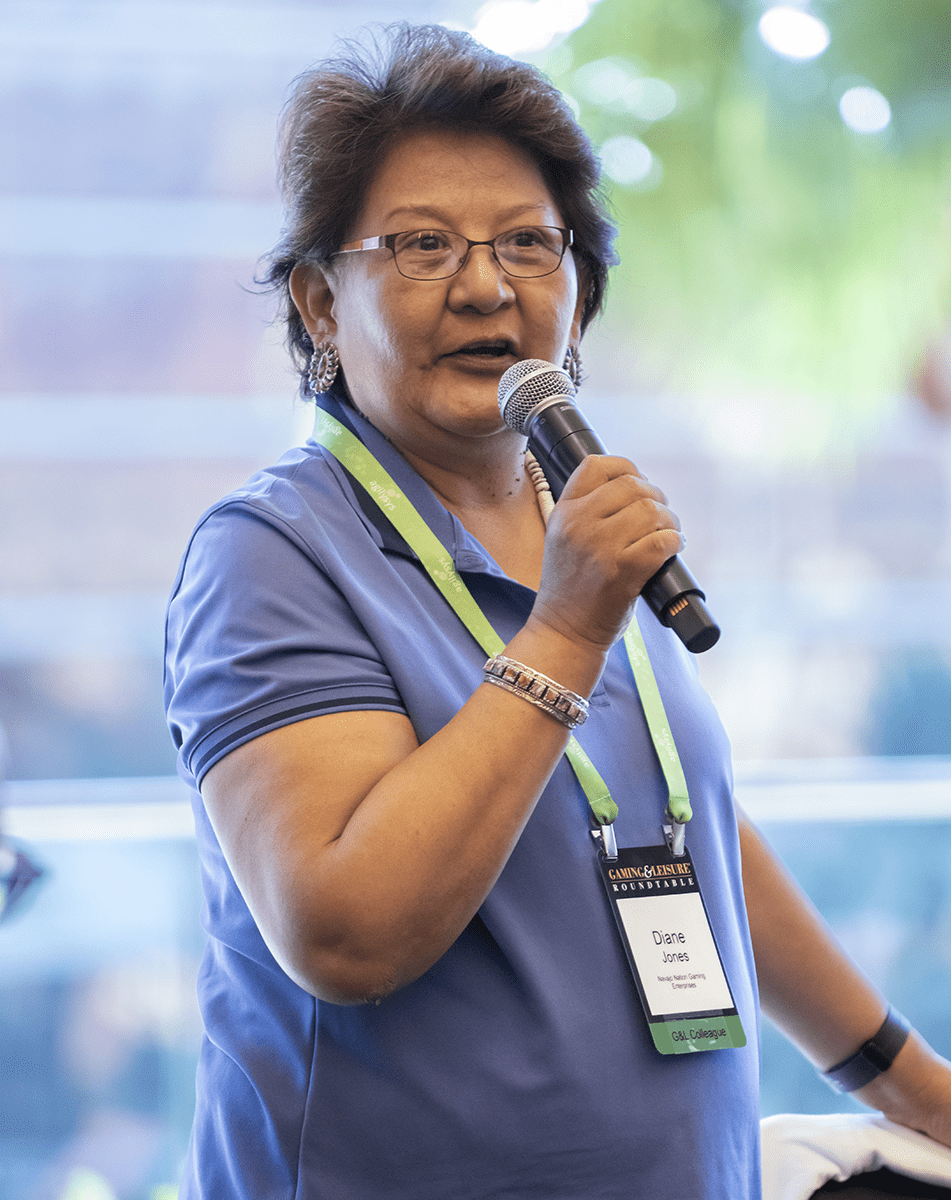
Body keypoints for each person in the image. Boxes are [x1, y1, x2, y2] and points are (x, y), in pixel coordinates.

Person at [163, 23, 951, 1199]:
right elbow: (344, 932)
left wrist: (913, 1085)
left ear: (577, 300)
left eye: (530, 244)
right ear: (321, 304)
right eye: (423, 245)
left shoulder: (577, 522)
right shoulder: (272, 553)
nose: (487, 284)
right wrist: (569, 631)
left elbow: (686, 830)